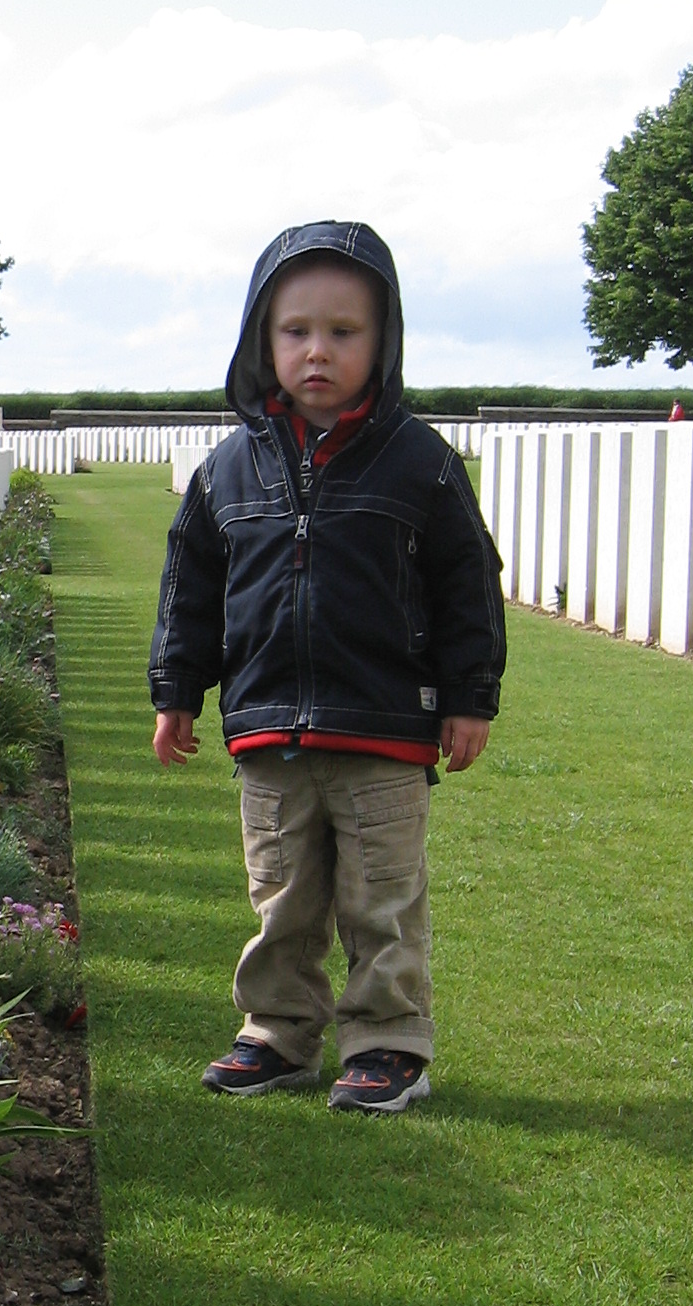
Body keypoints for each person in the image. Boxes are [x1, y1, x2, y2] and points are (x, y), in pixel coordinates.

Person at [149, 221, 506, 1114]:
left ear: (381, 343)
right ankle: (277, 1033)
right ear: (262, 341)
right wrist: (176, 691)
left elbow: (469, 582)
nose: (318, 352)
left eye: (344, 333)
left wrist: (470, 697)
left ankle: (387, 1043)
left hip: (384, 726)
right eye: (296, 331)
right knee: (282, 898)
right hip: (270, 728)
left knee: (381, 900)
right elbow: (190, 585)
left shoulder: (419, 463)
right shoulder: (227, 471)